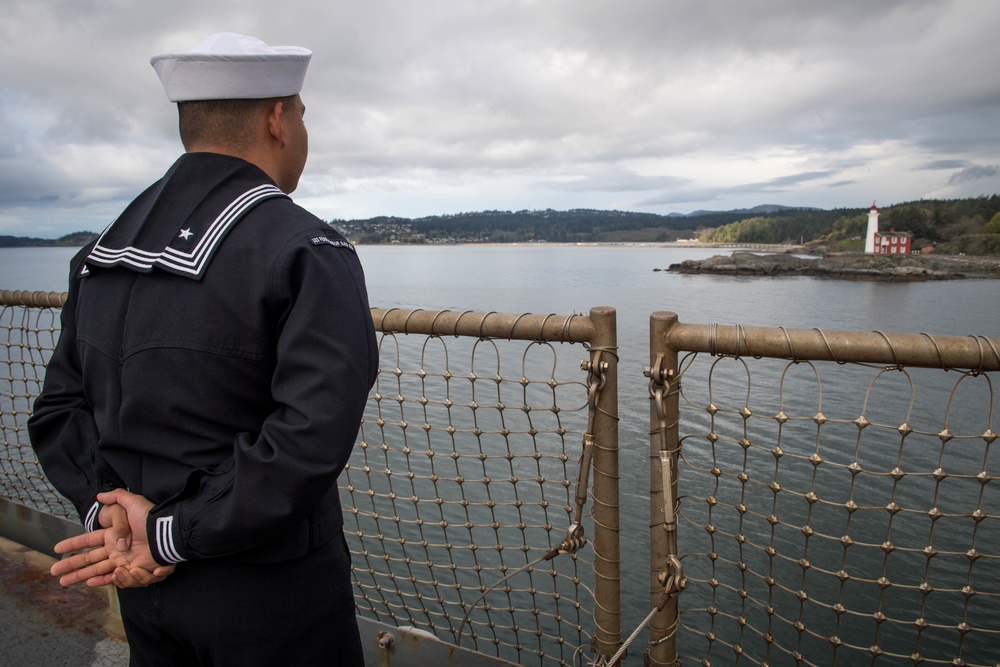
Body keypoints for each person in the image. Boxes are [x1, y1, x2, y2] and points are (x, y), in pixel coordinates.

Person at [27, 32, 377, 666]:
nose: (302, 129)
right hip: (267, 592)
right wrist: (166, 536)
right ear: (277, 118)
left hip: (143, 588)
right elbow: (307, 441)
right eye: (301, 113)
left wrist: (110, 519)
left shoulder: (100, 253)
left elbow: (58, 411)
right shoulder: (307, 250)